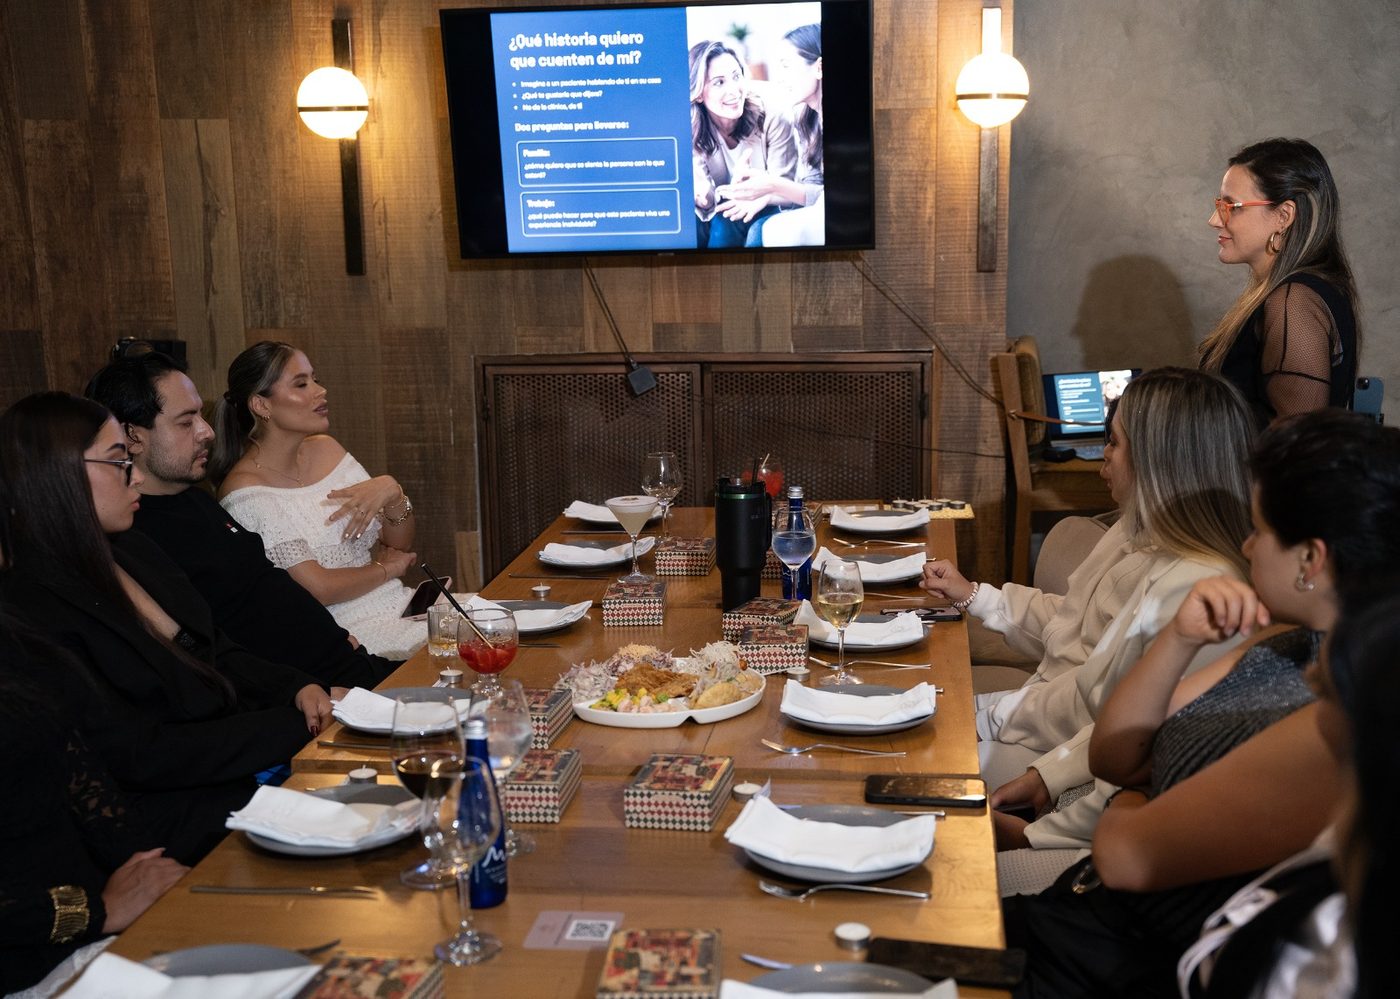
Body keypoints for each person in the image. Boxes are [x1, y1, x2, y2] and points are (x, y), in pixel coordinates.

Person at [1005, 411, 1400, 997]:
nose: (1244, 545)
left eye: (1260, 530)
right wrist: (1180, 637)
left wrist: (1140, 790)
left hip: (1117, 964)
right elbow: (1114, 755)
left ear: (1311, 560)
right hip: (1081, 918)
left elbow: (1127, 855)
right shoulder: (1280, 640)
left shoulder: (1344, 712)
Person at [921, 369, 1256, 851]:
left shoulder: (1201, 586)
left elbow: (1110, 715)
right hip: (1036, 725)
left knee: (894, 762)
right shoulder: (1135, 529)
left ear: (1156, 459)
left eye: (1114, 442)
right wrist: (976, 595)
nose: (1103, 455)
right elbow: (1071, 628)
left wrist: (1001, 728)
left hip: (1056, 748)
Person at [0, 392, 334, 864]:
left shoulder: (135, 550)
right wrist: (291, 727)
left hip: (237, 767)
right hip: (165, 822)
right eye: (118, 460)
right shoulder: (29, 606)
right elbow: (136, 754)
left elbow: (217, 651)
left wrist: (298, 687)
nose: (135, 475)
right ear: (57, 475)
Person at [85, 352, 399, 687]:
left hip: (348, 661)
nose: (206, 432)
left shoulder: (195, 499)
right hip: (319, 694)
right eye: (186, 421)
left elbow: (263, 591)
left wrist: (332, 635)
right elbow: (207, 654)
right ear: (133, 437)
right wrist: (299, 691)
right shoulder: (136, 534)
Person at [0, 613, 187, 996]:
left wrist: (146, 869)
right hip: (28, 961)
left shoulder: (12, 639)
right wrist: (93, 911)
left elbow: (76, 774)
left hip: (100, 917)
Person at [208, 342, 425, 661]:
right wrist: (385, 569)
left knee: (502, 626)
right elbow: (317, 589)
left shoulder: (327, 449)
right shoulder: (245, 492)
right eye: (301, 384)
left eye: (315, 379)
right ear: (261, 405)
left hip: (404, 605)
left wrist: (393, 494)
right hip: (347, 635)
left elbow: (398, 543)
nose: (320, 391)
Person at [1200, 138, 1360, 425]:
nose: (1215, 220)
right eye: (1218, 205)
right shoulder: (1286, 294)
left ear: (1283, 216)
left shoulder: (1294, 301)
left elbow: (1297, 451)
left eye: (1231, 206)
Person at [715, 24, 824, 247]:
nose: (780, 78)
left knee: (761, 229)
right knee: (725, 220)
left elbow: (829, 197)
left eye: (787, 66)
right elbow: (811, 188)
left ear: (819, 67)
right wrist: (762, 193)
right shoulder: (808, 120)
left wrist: (772, 185)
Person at [689, 39, 799, 248]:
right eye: (719, 82)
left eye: (736, 76)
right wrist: (703, 197)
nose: (734, 90)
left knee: (725, 222)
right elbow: (705, 194)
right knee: (694, 224)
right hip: (723, 205)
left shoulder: (773, 116)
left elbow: (786, 189)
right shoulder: (692, 127)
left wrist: (754, 194)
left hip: (769, 203)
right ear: (699, 92)